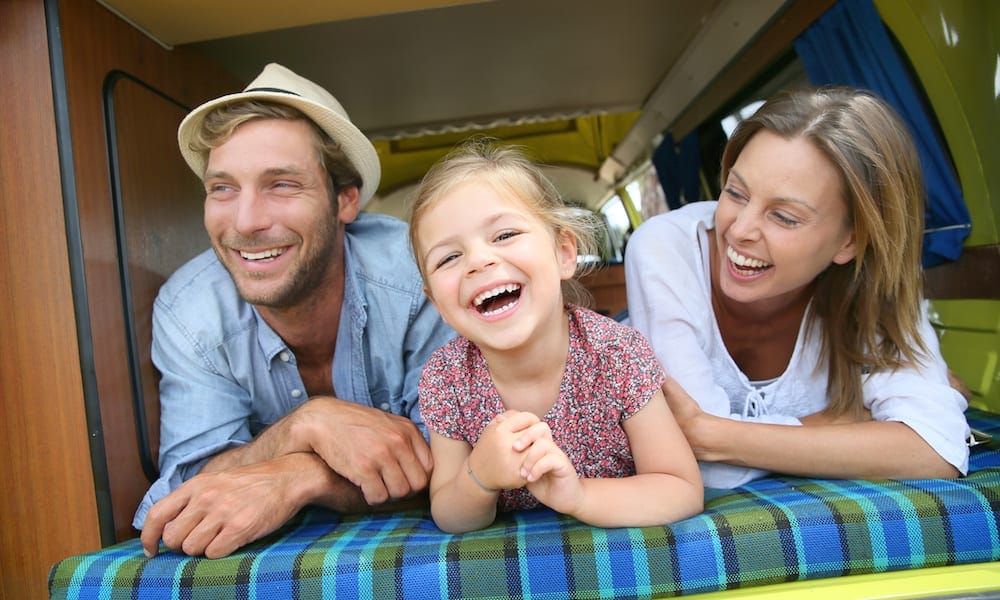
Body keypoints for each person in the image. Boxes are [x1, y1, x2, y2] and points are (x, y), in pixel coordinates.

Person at [134, 63, 455, 558]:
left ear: (345, 200)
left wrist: (299, 476)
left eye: (281, 184)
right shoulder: (189, 311)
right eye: (222, 188)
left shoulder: (420, 277)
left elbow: (463, 464)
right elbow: (188, 492)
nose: (245, 222)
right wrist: (306, 425)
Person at [625, 86, 970, 489]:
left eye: (784, 217)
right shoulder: (665, 249)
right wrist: (852, 418)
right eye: (735, 193)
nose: (739, 230)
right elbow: (702, 467)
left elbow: (935, 447)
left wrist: (712, 435)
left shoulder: (878, 283)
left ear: (851, 241)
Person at [408, 139, 703, 533]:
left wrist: (579, 496)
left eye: (505, 234)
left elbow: (681, 489)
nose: (479, 261)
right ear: (438, 305)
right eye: (448, 257)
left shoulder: (617, 354)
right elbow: (448, 513)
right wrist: (478, 476)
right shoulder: (446, 380)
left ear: (564, 253)